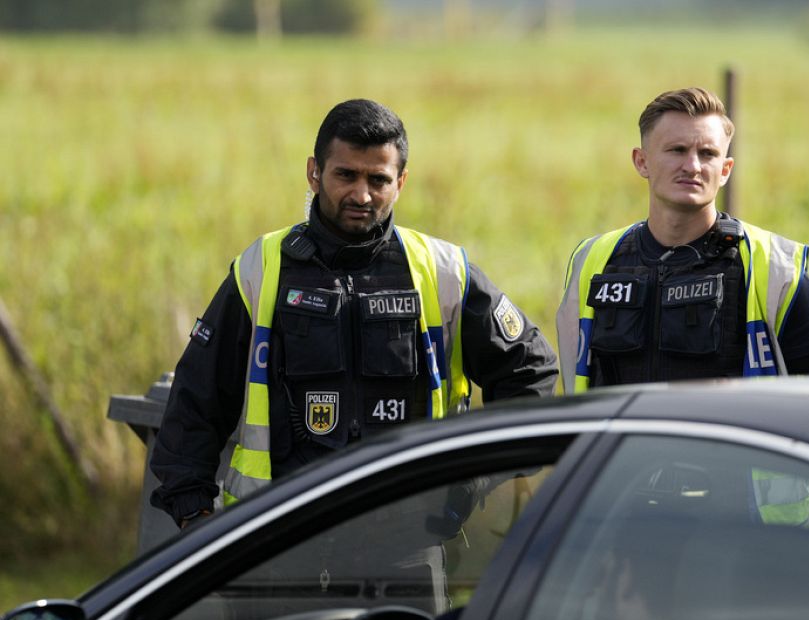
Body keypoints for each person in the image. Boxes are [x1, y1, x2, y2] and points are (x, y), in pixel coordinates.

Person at [150, 99, 558, 529]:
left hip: (407, 546)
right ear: (314, 172)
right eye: (346, 175)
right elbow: (196, 399)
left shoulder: (443, 272)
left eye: (378, 180)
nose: (362, 195)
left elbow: (531, 374)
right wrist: (192, 512)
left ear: (401, 182)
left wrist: (473, 477)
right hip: (275, 540)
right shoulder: (260, 268)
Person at [557, 87, 809, 394]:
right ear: (641, 162)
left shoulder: (778, 271)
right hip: (623, 442)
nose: (693, 166)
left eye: (708, 154)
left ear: (725, 170)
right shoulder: (593, 260)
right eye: (677, 150)